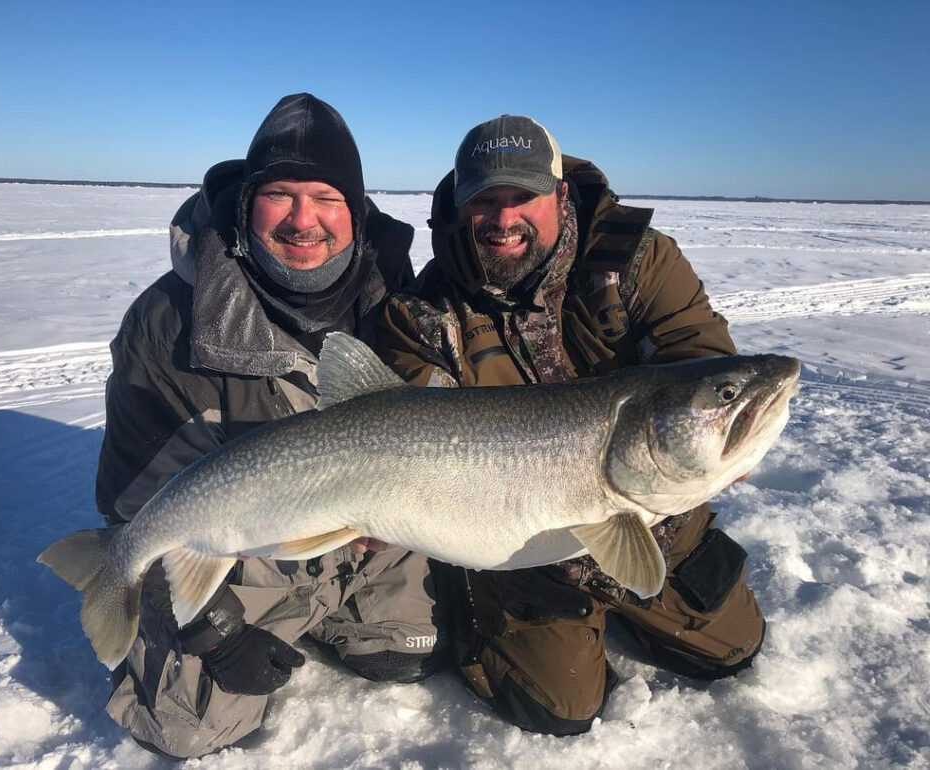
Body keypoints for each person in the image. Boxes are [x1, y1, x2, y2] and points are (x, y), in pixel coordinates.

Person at [375, 115, 765, 736]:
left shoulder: (637, 261)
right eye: (484, 200)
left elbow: (699, 359)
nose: (503, 220)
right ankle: (486, 620)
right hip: (524, 545)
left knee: (735, 651)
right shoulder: (419, 317)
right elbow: (399, 441)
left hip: (652, 514)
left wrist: (719, 438)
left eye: (522, 196)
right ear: (458, 205)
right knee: (558, 708)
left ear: (558, 195)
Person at [95, 93, 446, 759]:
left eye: (327, 198)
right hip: (241, 544)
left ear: (356, 212)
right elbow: (132, 497)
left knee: (411, 654)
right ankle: (248, 614)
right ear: (247, 202)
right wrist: (215, 630)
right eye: (281, 194)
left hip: (369, 526)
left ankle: (344, 605)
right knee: (186, 725)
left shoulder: (400, 301)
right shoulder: (167, 322)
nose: (304, 218)